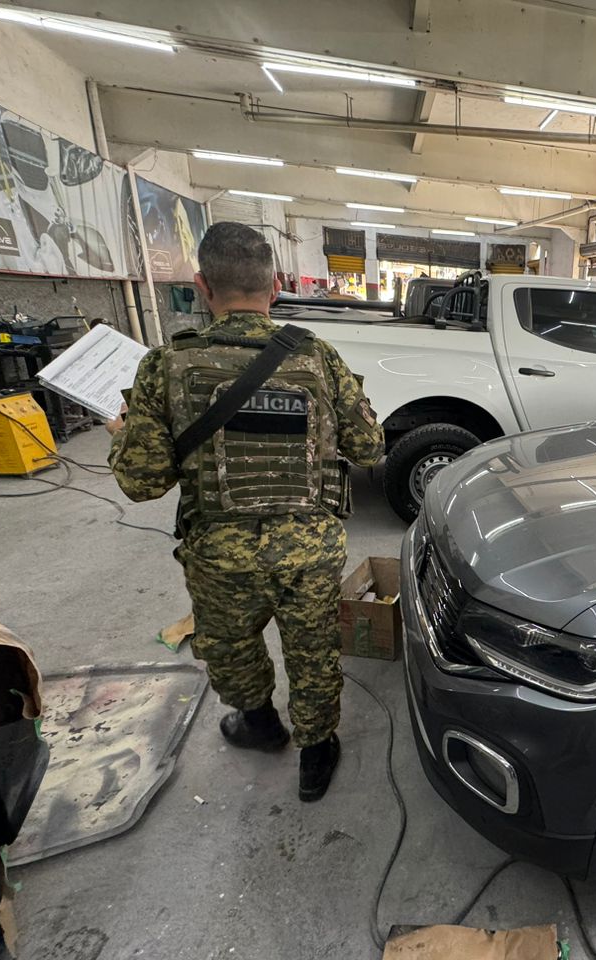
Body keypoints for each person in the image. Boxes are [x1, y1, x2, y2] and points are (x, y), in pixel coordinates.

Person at [107, 222, 385, 802]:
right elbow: (370, 448)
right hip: (309, 546)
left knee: (230, 642)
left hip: (219, 549)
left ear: (202, 285)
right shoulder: (318, 357)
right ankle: (316, 754)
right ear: (277, 285)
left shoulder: (166, 365)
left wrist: (121, 434)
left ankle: (258, 725)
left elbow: (142, 480)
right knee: (311, 646)